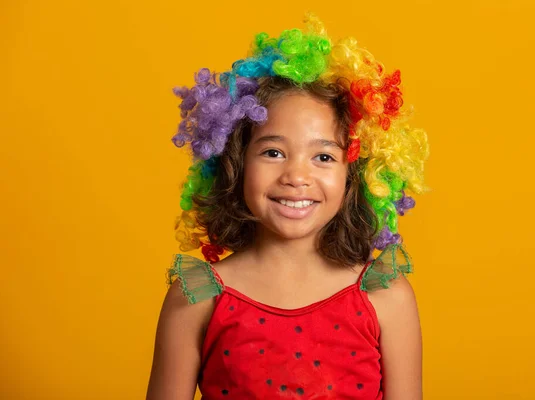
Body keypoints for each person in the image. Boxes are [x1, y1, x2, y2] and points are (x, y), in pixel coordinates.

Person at [147, 13, 430, 400]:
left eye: (324, 157)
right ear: (236, 162)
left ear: (356, 174)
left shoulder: (385, 296)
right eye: (274, 152)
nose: (296, 176)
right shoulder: (197, 296)